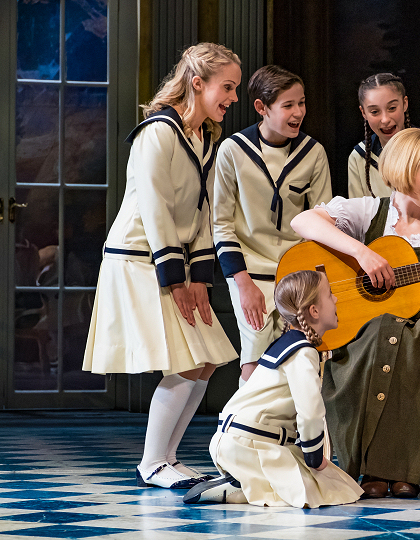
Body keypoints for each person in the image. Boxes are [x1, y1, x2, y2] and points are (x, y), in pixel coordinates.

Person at [291, 128, 420, 498]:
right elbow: (302, 222)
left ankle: (409, 470)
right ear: (403, 171)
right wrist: (361, 252)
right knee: (379, 336)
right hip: (375, 317)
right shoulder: (369, 210)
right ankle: (372, 468)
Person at [82, 43, 240, 488]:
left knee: (205, 362)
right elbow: (155, 210)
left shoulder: (206, 138)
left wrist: (201, 279)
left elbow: (204, 213)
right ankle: (152, 462)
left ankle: (167, 458)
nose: (233, 98)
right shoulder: (157, 132)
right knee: (189, 361)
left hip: (173, 262)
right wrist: (178, 280)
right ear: (198, 84)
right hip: (138, 260)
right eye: (227, 87)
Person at [183, 270, 365, 507]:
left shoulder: (288, 343)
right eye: (330, 295)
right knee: (331, 489)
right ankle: (240, 487)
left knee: (335, 483)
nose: (336, 299)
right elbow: (310, 413)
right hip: (248, 446)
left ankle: (244, 480)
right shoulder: (303, 352)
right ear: (314, 311)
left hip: (234, 441)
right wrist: (314, 458)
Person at [213, 65, 332, 387]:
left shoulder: (313, 153)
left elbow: (324, 223)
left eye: (302, 103)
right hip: (250, 273)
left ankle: (300, 422)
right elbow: (221, 225)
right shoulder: (233, 150)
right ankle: (243, 420)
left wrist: (318, 283)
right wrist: (243, 284)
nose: (298, 112)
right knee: (254, 360)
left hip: (299, 273)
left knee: (304, 359)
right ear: (261, 107)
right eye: (288, 105)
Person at [348, 73, 420, 200]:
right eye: (375, 112)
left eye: (392, 108)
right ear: (363, 112)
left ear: (405, 103)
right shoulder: (359, 157)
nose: (385, 119)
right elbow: (356, 210)